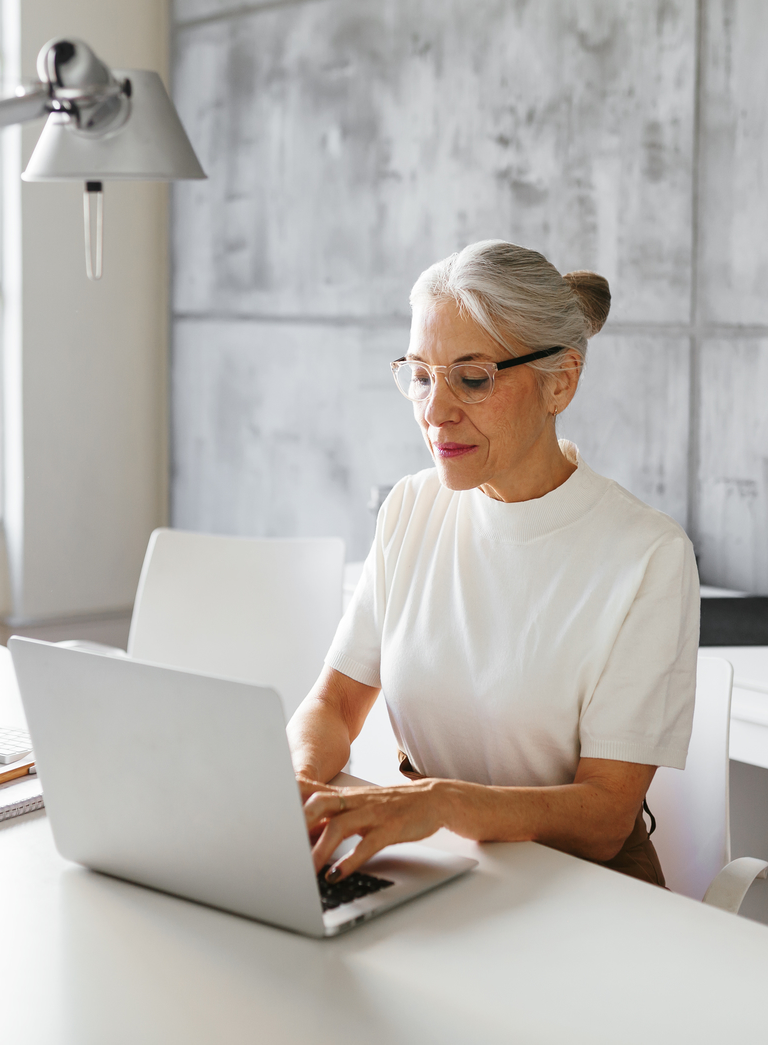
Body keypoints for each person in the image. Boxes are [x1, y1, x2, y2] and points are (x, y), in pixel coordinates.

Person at [288, 239, 700, 888]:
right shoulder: (409, 508)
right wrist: (301, 784)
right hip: (435, 864)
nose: (434, 410)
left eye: (472, 378)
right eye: (420, 375)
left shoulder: (648, 555)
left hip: (583, 891)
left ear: (559, 380)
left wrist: (441, 801)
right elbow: (335, 706)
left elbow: (604, 814)